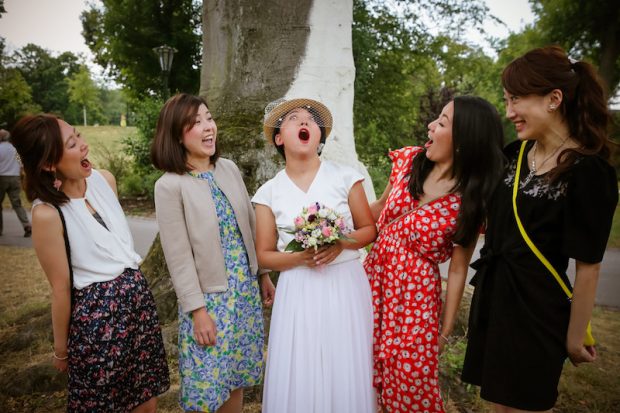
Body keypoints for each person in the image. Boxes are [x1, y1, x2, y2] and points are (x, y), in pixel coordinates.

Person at [461, 46, 619, 412]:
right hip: (494, 300)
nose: (509, 112)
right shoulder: (512, 155)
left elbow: (589, 265)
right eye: (506, 100)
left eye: (516, 100)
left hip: (537, 310)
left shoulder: (589, 172)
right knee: (499, 406)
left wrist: (575, 337)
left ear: (554, 99)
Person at [10, 115, 170, 413]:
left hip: (139, 309)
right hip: (98, 323)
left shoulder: (104, 180)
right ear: (49, 164)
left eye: (79, 135)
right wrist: (61, 350)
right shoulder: (47, 213)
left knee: (147, 403)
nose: (83, 145)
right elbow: (60, 289)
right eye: (72, 144)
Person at [364, 96, 506, 413]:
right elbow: (376, 211)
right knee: (363, 373)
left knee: (410, 384)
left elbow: (458, 268)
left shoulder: (469, 201)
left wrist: (444, 329)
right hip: (373, 284)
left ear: (464, 140)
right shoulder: (409, 162)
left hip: (416, 302)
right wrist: (334, 230)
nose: (431, 126)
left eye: (442, 122)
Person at [151, 93, 274, 413]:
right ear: (177, 135)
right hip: (209, 302)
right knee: (207, 389)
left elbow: (249, 225)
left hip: (244, 294)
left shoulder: (228, 168)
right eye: (196, 123)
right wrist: (197, 311)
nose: (208, 127)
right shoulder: (169, 185)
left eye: (209, 118)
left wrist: (263, 274)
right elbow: (178, 257)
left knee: (235, 379)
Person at [253, 97, 378, 413]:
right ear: (279, 139)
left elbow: (369, 230)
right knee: (303, 363)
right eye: (293, 118)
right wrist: (300, 258)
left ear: (318, 135)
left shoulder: (347, 177)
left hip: (345, 285)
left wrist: (342, 243)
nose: (304, 121)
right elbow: (264, 255)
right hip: (299, 290)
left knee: (344, 361)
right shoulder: (268, 192)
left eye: (310, 119)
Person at [0, 128, 32, 237]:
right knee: (17, 204)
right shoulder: (15, 150)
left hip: (2, 178)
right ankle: (26, 225)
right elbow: (21, 164)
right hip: (15, 178)